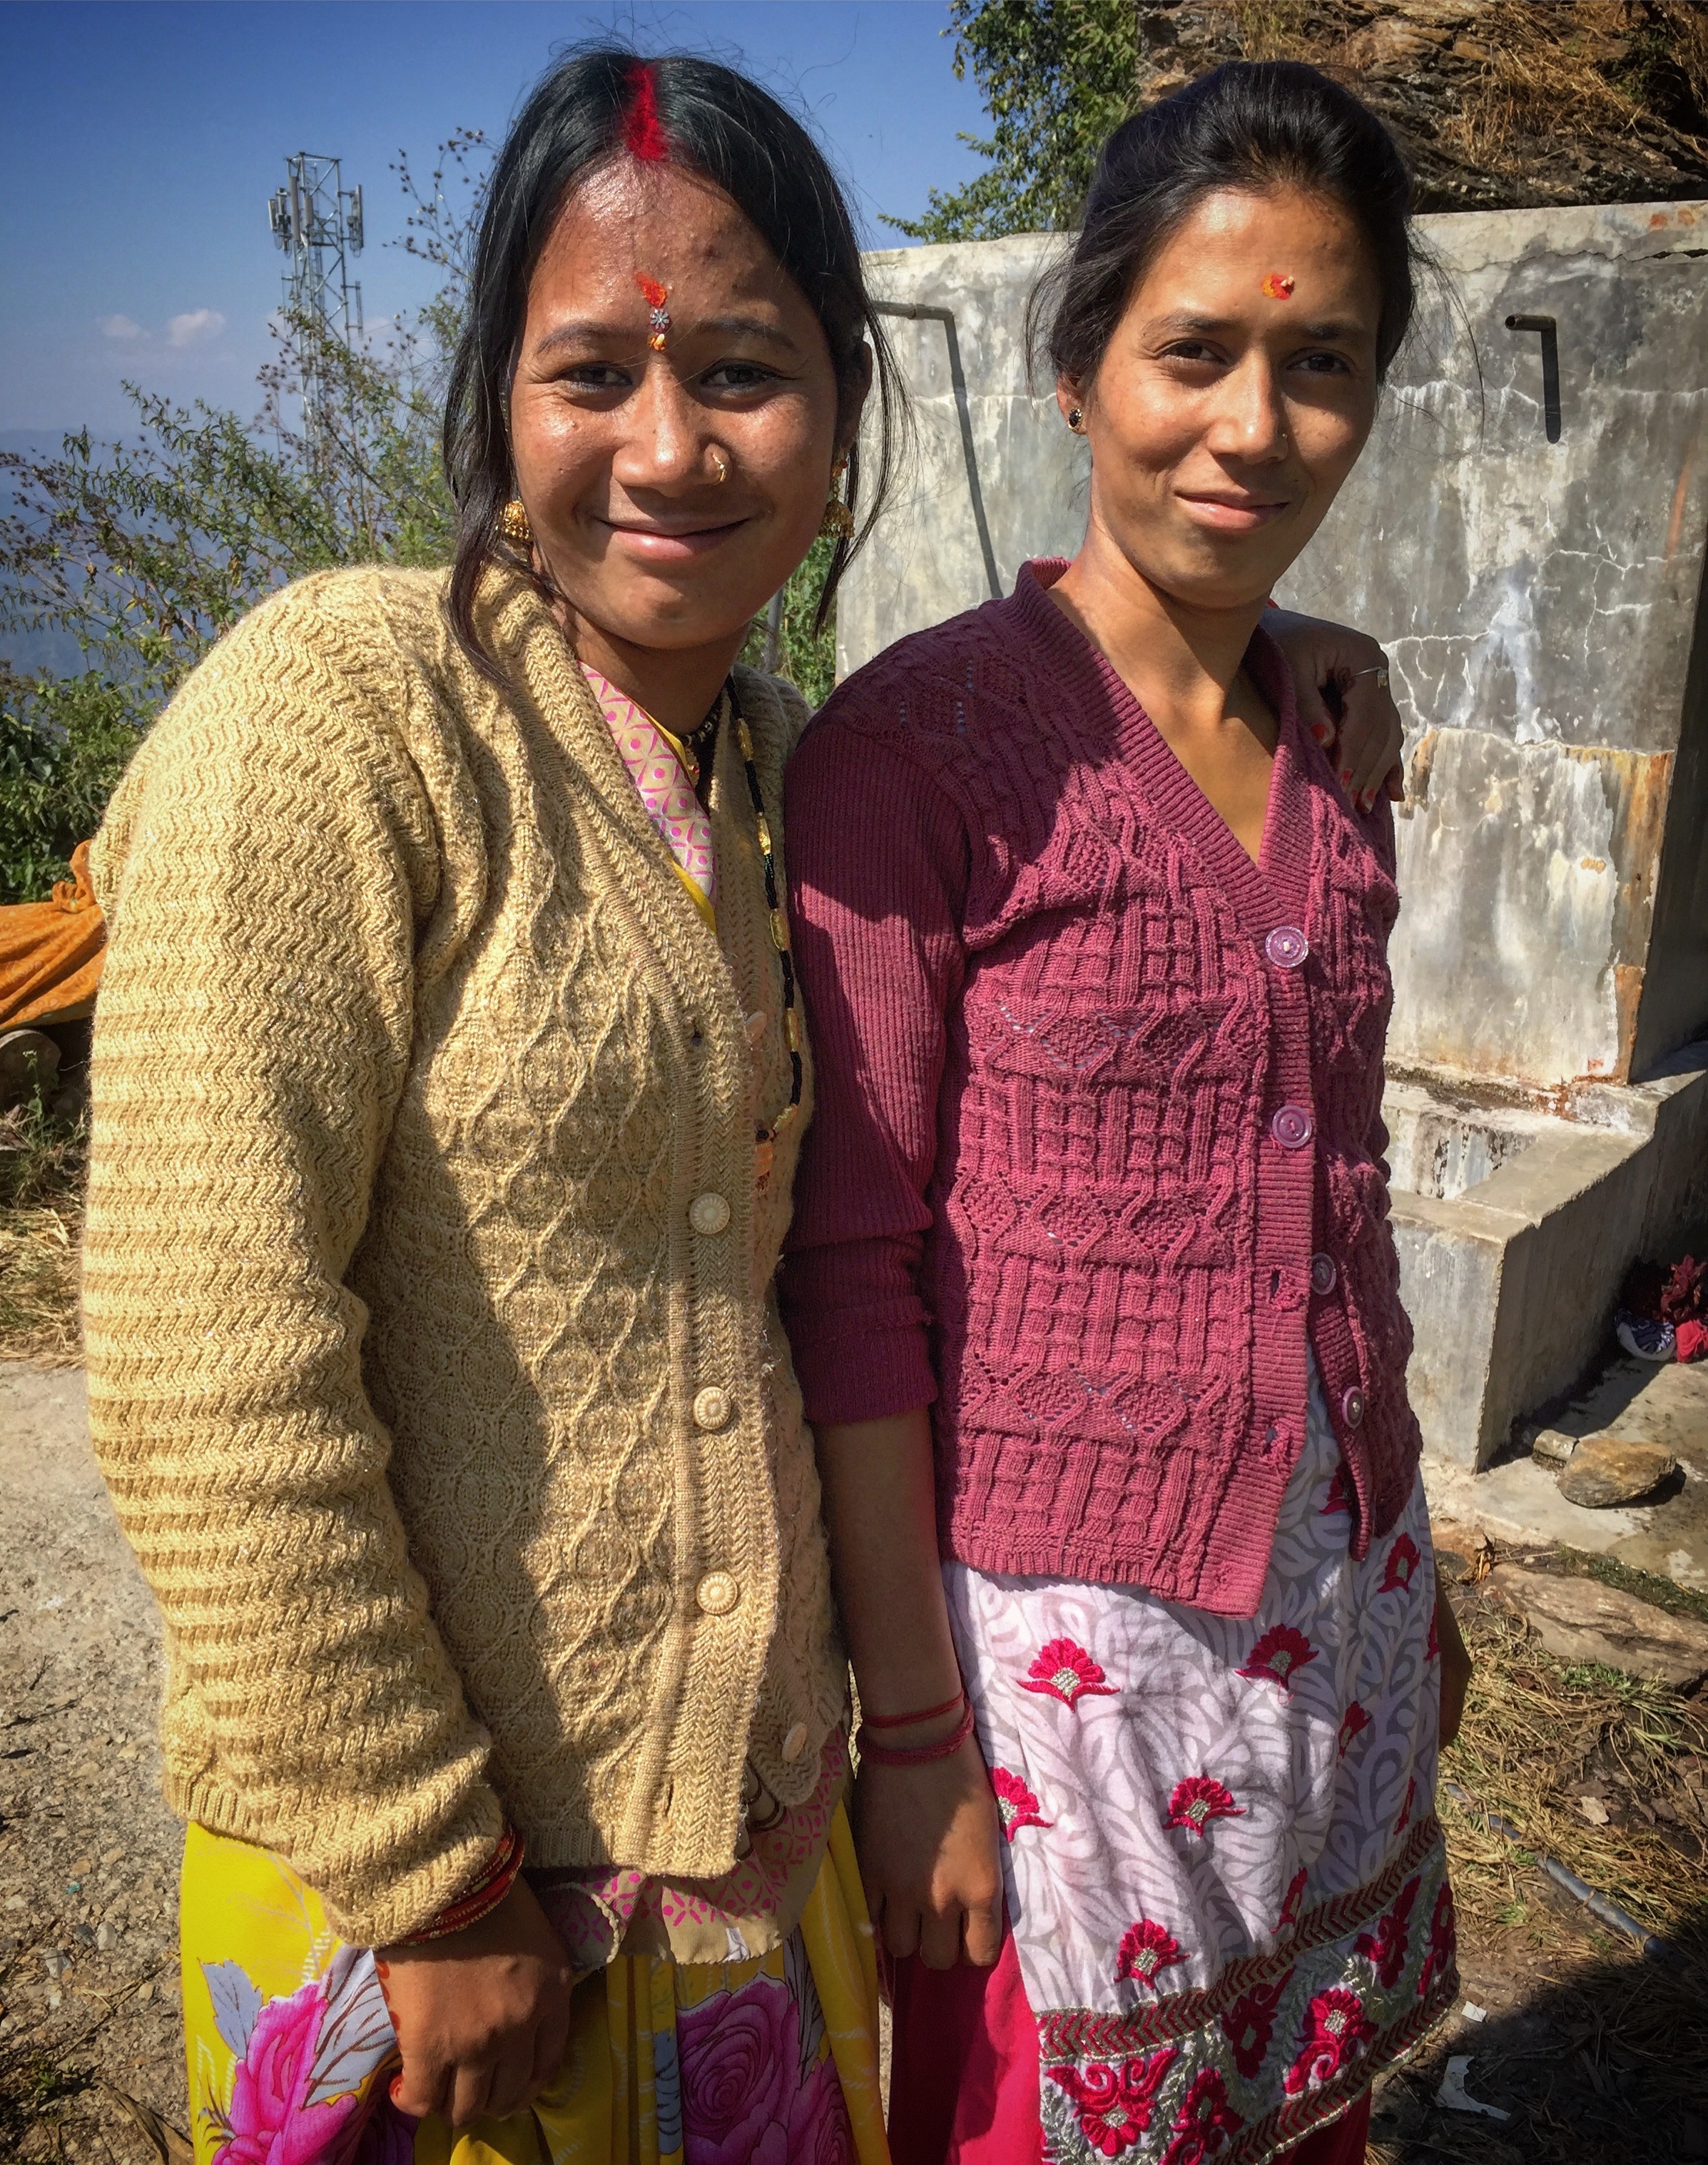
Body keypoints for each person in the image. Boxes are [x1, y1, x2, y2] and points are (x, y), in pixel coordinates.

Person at [84, 44, 1412, 2165]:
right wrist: (427, 1866)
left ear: (843, 409)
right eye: (592, 373)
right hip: (427, 1918)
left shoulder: (789, 776)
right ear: (497, 401)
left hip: (742, 1869)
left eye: (743, 372)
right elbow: (201, 1346)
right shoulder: (344, 717)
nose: (670, 447)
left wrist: (1290, 643)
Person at [781, 60, 1471, 2165]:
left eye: (1321, 364)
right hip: (1062, 1676)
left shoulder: (1332, 736)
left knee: (1303, 2111)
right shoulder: (923, 753)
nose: (1254, 427)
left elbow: (1338, 1194)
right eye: (1193, 353)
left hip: (1339, 1601)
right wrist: (917, 1737)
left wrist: (1408, 1557)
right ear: (1076, 368)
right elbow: (855, 1271)